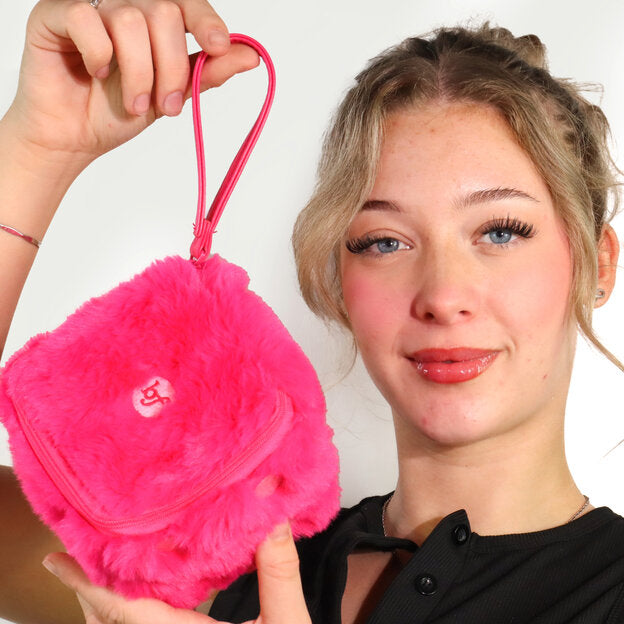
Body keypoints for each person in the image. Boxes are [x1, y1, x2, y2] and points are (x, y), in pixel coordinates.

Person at [1, 2, 623, 624]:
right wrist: (39, 147)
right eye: (385, 242)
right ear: (339, 283)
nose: (441, 294)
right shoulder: (212, 557)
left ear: (597, 265)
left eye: (501, 232)